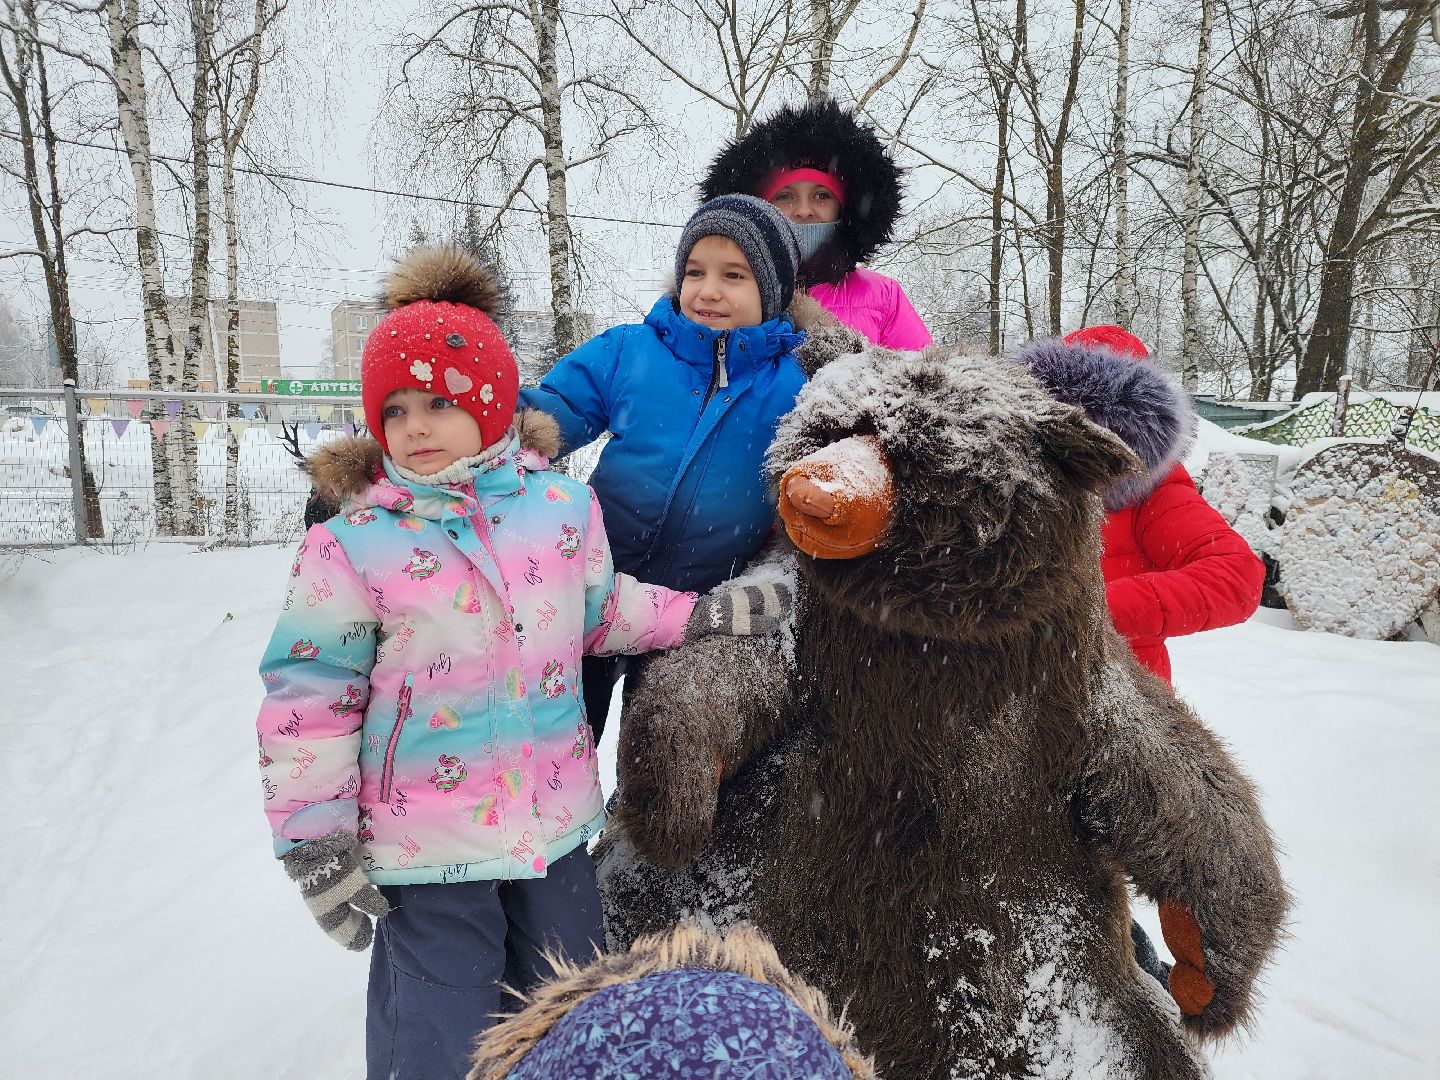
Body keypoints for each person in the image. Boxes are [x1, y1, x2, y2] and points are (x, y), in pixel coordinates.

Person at [255, 246, 790, 1080]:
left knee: (575, 1014)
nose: (415, 427)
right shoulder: (351, 545)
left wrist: (705, 615)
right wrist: (313, 842)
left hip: (556, 830)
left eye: (438, 401)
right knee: (444, 1034)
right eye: (393, 409)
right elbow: (308, 700)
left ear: (495, 404)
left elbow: (604, 613)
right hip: (425, 849)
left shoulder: (560, 507)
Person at [517, 194, 810, 740]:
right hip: (593, 590)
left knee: (661, 747)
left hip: (697, 612)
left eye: (734, 275)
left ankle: (635, 825)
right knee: (560, 735)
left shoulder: (795, 386)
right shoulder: (633, 350)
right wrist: (472, 423)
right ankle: (554, 820)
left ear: (772, 292)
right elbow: (552, 412)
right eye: (695, 271)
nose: (709, 290)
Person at [1021, 325, 1266, 682]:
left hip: (1116, 695)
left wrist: (1094, 611)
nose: (1080, 434)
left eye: (1102, 418)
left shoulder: (1153, 489)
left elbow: (1236, 576)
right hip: (1009, 694)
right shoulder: (1018, 482)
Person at [701, 96, 932, 350]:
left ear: (843, 207)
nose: (803, 210)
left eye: (821, 196)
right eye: (785, 196)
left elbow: (923, 380)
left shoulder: (884, 297)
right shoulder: (724, 289)